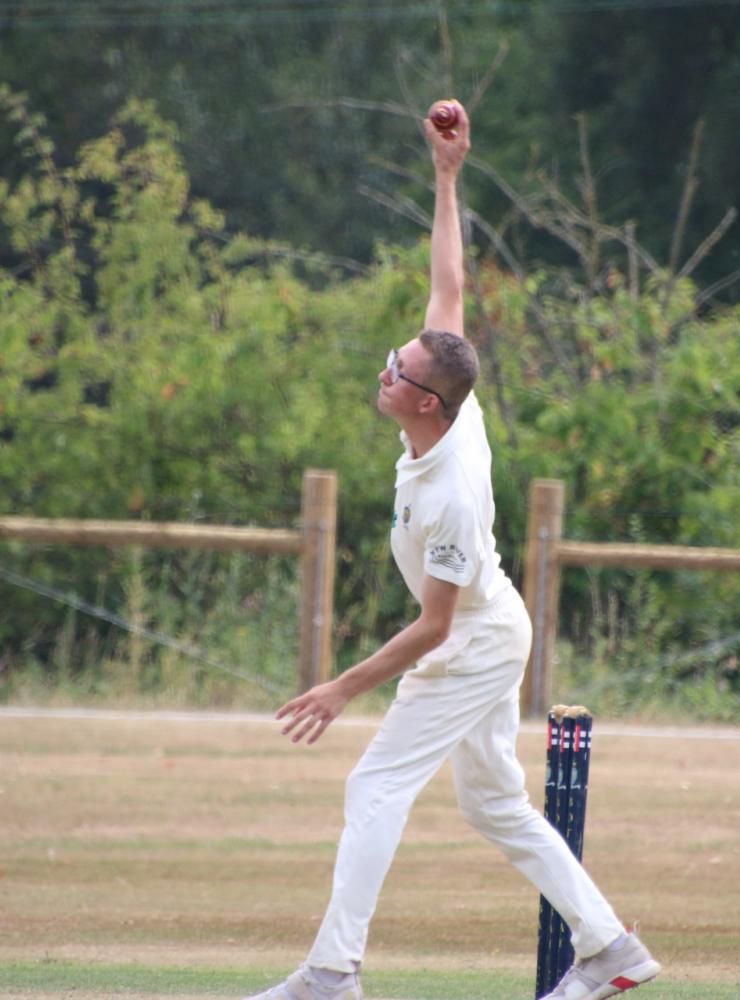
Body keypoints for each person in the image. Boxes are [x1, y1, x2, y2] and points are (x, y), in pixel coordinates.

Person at [244, 100, 660, 1000]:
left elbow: (434, 628)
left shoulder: (453, 495)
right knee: (496, 805)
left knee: (374, 785)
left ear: (428, 403)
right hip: (485, 627)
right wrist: (446, 177)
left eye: (397, 374)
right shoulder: (449, 409)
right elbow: (451, 291)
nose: (384, 372)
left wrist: (343, 686)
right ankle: (611, 950)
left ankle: (330, 973)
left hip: (472, 639)